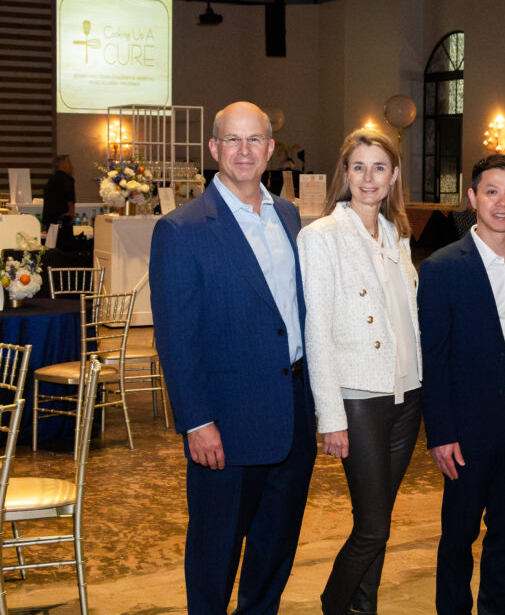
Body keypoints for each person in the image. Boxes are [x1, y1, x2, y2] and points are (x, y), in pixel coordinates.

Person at [150, 101, 316, 613]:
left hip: (293, 410)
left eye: (254, 140)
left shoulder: (288, 215)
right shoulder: (182, 230)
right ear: (214, 148)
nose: (243, 151)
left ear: (270, 149)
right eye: (232, 140)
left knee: (275, 545)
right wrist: (196, 420)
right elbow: (178, 338)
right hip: (226, 418)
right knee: (216, 549)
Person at [297, 128, 422, 615]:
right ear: (344, 175)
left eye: (378, 168)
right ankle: (336, 603)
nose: (368, 178)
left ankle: (361, 608)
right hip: (359, 397)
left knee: (380, 519)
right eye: (358, 167)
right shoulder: (322, 236)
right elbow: (318, 330)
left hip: (408, 393)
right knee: (373, 526)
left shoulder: (396, 234)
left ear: (393, 176)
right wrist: (330, 416)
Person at [418, 154, 505, 615]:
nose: (502, 202)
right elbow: (434, 357)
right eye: (492, 191)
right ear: (472, 197)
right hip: (469, 422)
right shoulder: (442, 267)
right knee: (458, 534)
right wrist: (441, 432)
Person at [42, 154, 76, 251]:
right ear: (63, 165)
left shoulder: (50, 181)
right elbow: (70, 198)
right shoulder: (68, 179)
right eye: (69, 163)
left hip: (50, 222)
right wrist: (71, 214)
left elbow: (47, 203)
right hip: (63, 221)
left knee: (52, 250)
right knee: (65, 251)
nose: (71, 166)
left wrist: (45, 222)